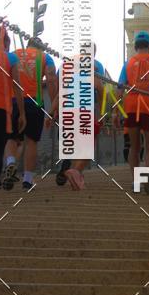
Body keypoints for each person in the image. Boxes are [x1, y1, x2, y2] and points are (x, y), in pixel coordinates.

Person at [1, 37, 57, 191]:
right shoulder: (45, 57)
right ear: (41, 47)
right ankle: (27, 180)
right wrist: (54, 105)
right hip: (35, 101)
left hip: (13, 100)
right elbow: (51, 80)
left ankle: (11, 162)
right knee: (31, 141)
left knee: (11, 137)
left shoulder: (13, 54)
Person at [52, 45, 106, 190]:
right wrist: (102, 113)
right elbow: (100, 89)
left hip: (67, 110)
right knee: (87, 147)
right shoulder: (93, 67)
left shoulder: (68, 66)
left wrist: (52, 112)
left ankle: (75, 176)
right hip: (85, 110)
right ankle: (75, 171)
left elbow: (59, 92)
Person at [0, 26, 26, 205]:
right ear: (7, 41)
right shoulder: (10, 58)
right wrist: (22, 113)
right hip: (1, 109)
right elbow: (17, 86)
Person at [117, 31, 149, 185]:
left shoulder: (127, 64)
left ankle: (136, 180)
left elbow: (119, 90)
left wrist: (116, 112)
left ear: (135, 47)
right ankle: (147, 172)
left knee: (134, 147)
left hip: (131, 106)